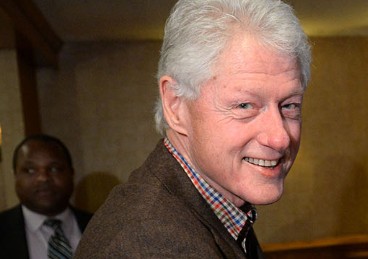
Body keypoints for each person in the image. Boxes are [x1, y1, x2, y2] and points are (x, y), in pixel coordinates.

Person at [75, 0, 311, 258]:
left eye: (289, 105)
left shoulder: (216, 208)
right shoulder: (149, 245)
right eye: (245, 105)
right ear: (176, 105)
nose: (279, 138)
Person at [0, 134, 92, 259]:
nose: (43, 178)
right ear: (15, 175)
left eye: (54, 169)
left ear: (71, 173)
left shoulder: (103, 227)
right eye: (30, 170)